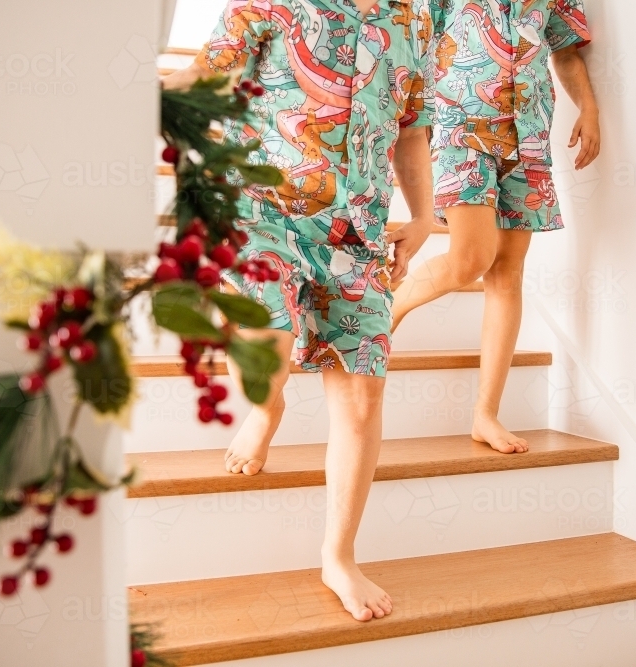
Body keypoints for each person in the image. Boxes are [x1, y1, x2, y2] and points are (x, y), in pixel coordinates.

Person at [163, 0, 438, 622]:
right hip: (262, 209)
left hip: (356, 230)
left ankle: (338, 555)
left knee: (364, 399)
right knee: (268, 345)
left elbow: (412, 131)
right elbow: (206, 74)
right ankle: (265, 407)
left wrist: (422, 218)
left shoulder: (413, 21)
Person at [391, 0, 599, 454]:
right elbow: (417, 42)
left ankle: (486, 414)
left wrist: (589, 109)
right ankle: (392, 305)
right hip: (458, 125)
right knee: (471, 259)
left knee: (507, 273)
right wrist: (406, 124)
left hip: (528, 133)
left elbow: (564, 50)